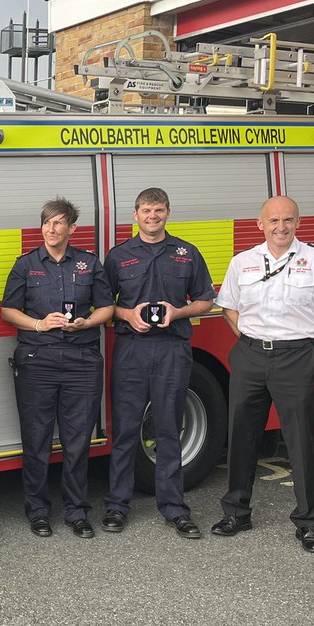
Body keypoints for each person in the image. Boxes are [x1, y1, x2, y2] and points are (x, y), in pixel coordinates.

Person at [212, 196, 314, 553]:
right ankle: (236, 513)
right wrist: (253, 342)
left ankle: (308, 523)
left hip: (297, 357)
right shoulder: (242, 261)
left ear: (298, 223)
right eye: (273, 220)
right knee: (241, 435)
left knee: (300, 442)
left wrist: (305, 350)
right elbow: (229, 309)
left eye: (288, 220)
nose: (280, 227)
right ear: (260, 224)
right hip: (251, 356)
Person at [102, 188, 216, 538]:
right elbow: (102, 304)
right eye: (146, 210)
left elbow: (206, 300)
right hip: (132, 349)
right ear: (135, 215)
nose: (152, 216)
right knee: (125, 430)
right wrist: (128, 314)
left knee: (168, 429)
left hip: (172, 350)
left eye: (159, 210)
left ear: (168, 213)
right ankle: (117, 506)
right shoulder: (118, 256)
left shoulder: (186, 253)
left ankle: (174, 508)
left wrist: (176, 312)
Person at [0, 198, 114, 539]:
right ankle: (37, 512)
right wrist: (39, 324)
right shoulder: (25, 265)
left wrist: (87, 322)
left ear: (71, 228)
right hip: (38, 361)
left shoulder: (89, 263)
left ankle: (77, 512)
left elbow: (107, 307)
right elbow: (8, 310)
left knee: (77, 441)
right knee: (36, 441)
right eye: (47, 223)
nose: (51, 229)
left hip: (82, 360)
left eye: (59, 222)